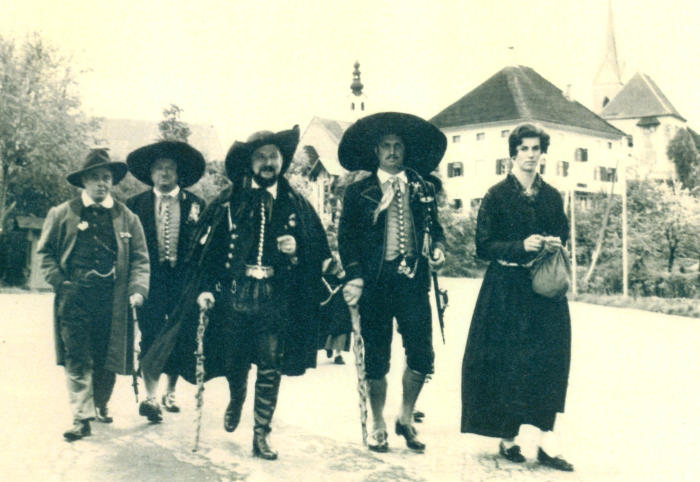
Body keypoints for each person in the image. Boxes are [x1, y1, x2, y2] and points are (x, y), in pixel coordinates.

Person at [141, 126, 330, 460]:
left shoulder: (295, 203)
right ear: (250, 162)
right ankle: (237, 398)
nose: (268, 163)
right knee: (235, 361)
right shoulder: (228, 201)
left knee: (270, 366)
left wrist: (297, 248)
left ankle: (261, 434)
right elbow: (205, 252)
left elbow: (318, 249)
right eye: (261, 157)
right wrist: (204, 289)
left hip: (275, 298)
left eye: (273, 156)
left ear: (282, 160)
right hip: (234, 296)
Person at [460, 123, 574, 471]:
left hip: (544, 290)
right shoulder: (496, 195)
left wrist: (552, 242)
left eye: (536, 148)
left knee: (549, 359)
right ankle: (508, 437)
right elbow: (483, 246)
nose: (530, 155)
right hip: (506, 289)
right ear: (513, 153)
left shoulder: (552, 196)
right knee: (508, 361)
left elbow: (564, 233)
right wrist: (520, 245)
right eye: (523, 148)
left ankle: (546, 440)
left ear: (543, 153)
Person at [337, 112, 446, 453]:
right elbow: (346, 239)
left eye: (398, 145)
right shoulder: (359, 192)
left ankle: (406, 417)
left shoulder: (422, 188)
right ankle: (378, 423)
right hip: (376, 286)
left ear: (405, 150)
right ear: (376, 151)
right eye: (386, 145)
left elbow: (436, 229)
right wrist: (354, 275)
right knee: (376, 358)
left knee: (422, 356)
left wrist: (438, 248)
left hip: (413, 283)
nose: (393, 151)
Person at [37, 149, 150, 441]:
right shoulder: (63, 213)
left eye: (106, 178)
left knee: (106, 356)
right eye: (95, 177)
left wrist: (138, 290)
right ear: (84, 181)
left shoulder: (127, 217)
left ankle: (99, 403)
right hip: (74, 296)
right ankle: (80, 417)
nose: (102, 183)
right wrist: (61, 282)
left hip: (113, 299)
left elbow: (140, 259)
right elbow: (45, 254)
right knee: (77, 355)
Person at [125, 141, 206, 422]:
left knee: (180, 335)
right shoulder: (135, 206)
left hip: (184, 281)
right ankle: (150, 396)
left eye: (170, 168)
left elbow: (206, 247)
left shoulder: (196, 205)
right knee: (150, 333)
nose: (164, 173)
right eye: (159, 168)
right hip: (151, 280)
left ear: (178, 172)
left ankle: (170, 391)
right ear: (150, 173)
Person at [318, 254, 352, 365]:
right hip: (324, 291)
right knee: (324, 321)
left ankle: (338, 354)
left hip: (340, 291)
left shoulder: (346, 252)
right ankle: (327, 345)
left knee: (341, 323)